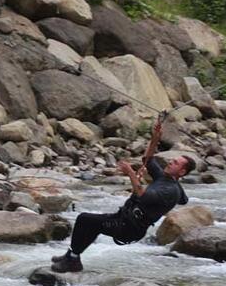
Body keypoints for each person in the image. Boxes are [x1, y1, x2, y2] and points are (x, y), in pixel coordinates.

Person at [51, 116, 196, 273]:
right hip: (123, 218)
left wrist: (130, 173)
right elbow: (148, 158)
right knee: (89, 223)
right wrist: (155, 138)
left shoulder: (170, 190)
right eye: (172, 160)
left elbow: (140, 193)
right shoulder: (163, 177)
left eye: (175, 163)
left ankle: (73, 259)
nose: (170, 162)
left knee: (86, 220)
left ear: (181, 171)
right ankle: (72, 257)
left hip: (129, 229)